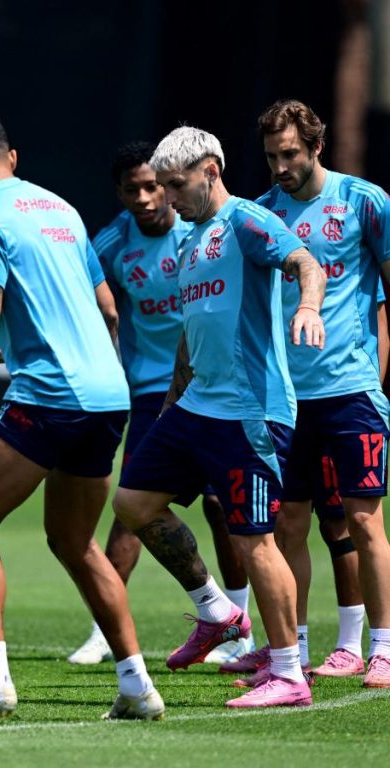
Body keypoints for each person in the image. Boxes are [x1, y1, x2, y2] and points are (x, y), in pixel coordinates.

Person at [0, 112, 164, 723]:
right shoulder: (61, 210)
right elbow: (108, 310)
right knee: (76, 542)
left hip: (49, 395)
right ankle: (137, 686)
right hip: (110, 395)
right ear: (13, 155)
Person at [112, 126, 328, 709]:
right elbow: (193, 331)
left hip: (251, 411)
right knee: (132, 503)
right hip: (195, 405)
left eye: (176, 185)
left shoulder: (248, 222)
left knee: (254, 539)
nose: (168, 197)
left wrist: (307, 306)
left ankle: (287, 673)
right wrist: (169, 407)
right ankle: (217, 611)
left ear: (210, 170)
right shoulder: (188, 238)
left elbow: (307, 262)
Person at [70, 141, 252, 666]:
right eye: (134, 190)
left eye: (155, 186)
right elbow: (92, 308)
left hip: (218, 385)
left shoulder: (201, 231)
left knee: (223, 506)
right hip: (153, 392)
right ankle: (106, 629)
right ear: (120, 194)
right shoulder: (109, 244)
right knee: (132, 506)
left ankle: (237, 628)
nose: (148, 198)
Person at [251, 99, 390, 688]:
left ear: (315, 147)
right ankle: (295, 648)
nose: (280, 167)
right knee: (288, 525)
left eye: (289, 154)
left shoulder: (365, 201)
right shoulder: (262, 212)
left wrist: (378, 383)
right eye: (271, 157)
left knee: (363, 521)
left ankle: (380, 648)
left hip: (350, 388)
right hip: (286, 396)